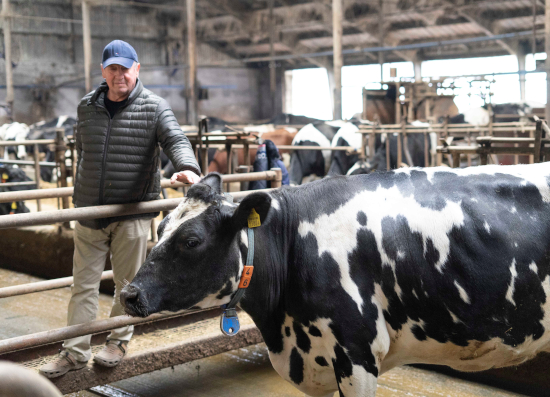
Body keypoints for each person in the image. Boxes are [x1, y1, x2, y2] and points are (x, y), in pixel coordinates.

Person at [40, 40, 201, 378]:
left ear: (136, 69)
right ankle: (74, 351)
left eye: (125, 68)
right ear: (104, 71)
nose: (119, 75)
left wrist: (188, 168)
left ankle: (118, 340)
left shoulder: (155, 106)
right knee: (82, 286)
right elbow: (83, 151)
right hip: (88, 215)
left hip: (132, 215)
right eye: (113, 68)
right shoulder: (87, 107)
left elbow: (176, 139)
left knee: (126, 285)